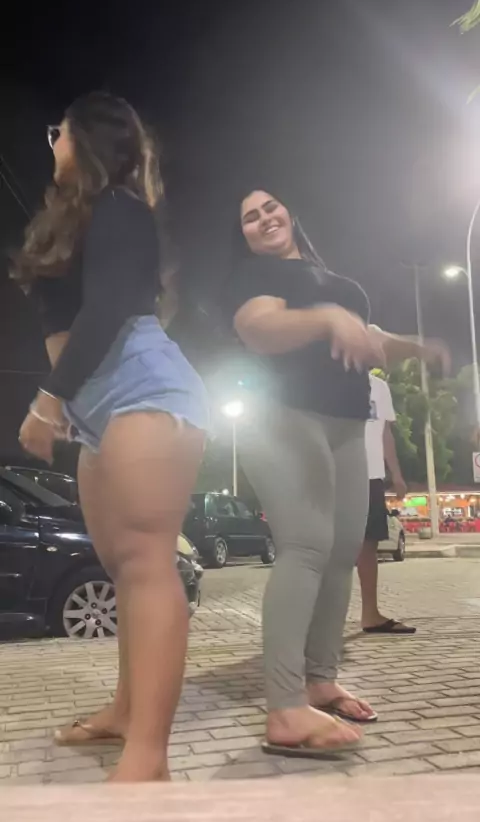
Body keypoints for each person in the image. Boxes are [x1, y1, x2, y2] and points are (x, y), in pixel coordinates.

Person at [13, 92, 209, 782]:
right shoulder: (83, 216)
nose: (53, 143)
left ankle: (148, 759)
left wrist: (48, 400)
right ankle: (127, 713)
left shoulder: (121, 207)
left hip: (144, 392)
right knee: (124, 568)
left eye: (58, 132)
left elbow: (108, 309)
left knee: (148, 563)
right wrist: (69, 400)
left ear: (87, 140)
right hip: (97, 405)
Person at [225, 189, 449, 758]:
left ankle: (320, 681)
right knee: (305, 545)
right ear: (243, 234)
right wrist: (327, 318)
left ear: (290, 212)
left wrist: (416, 348)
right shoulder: (253, 276)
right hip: (284, 415)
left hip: (349, 422)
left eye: (270, 207)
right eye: (249, 217)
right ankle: (284, 706)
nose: (263, 219)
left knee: (343, 549)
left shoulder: (332, 281)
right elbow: (258, 328)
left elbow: (369, 341)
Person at [357, 373, 416, 634]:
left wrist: (397, 474)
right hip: (337, 473)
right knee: (330, 546)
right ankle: (320, 618)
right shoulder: (327, 377)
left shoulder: (378, 387)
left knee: (369, 543)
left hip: (372, 475)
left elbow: (385, 434)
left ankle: (370, 614)